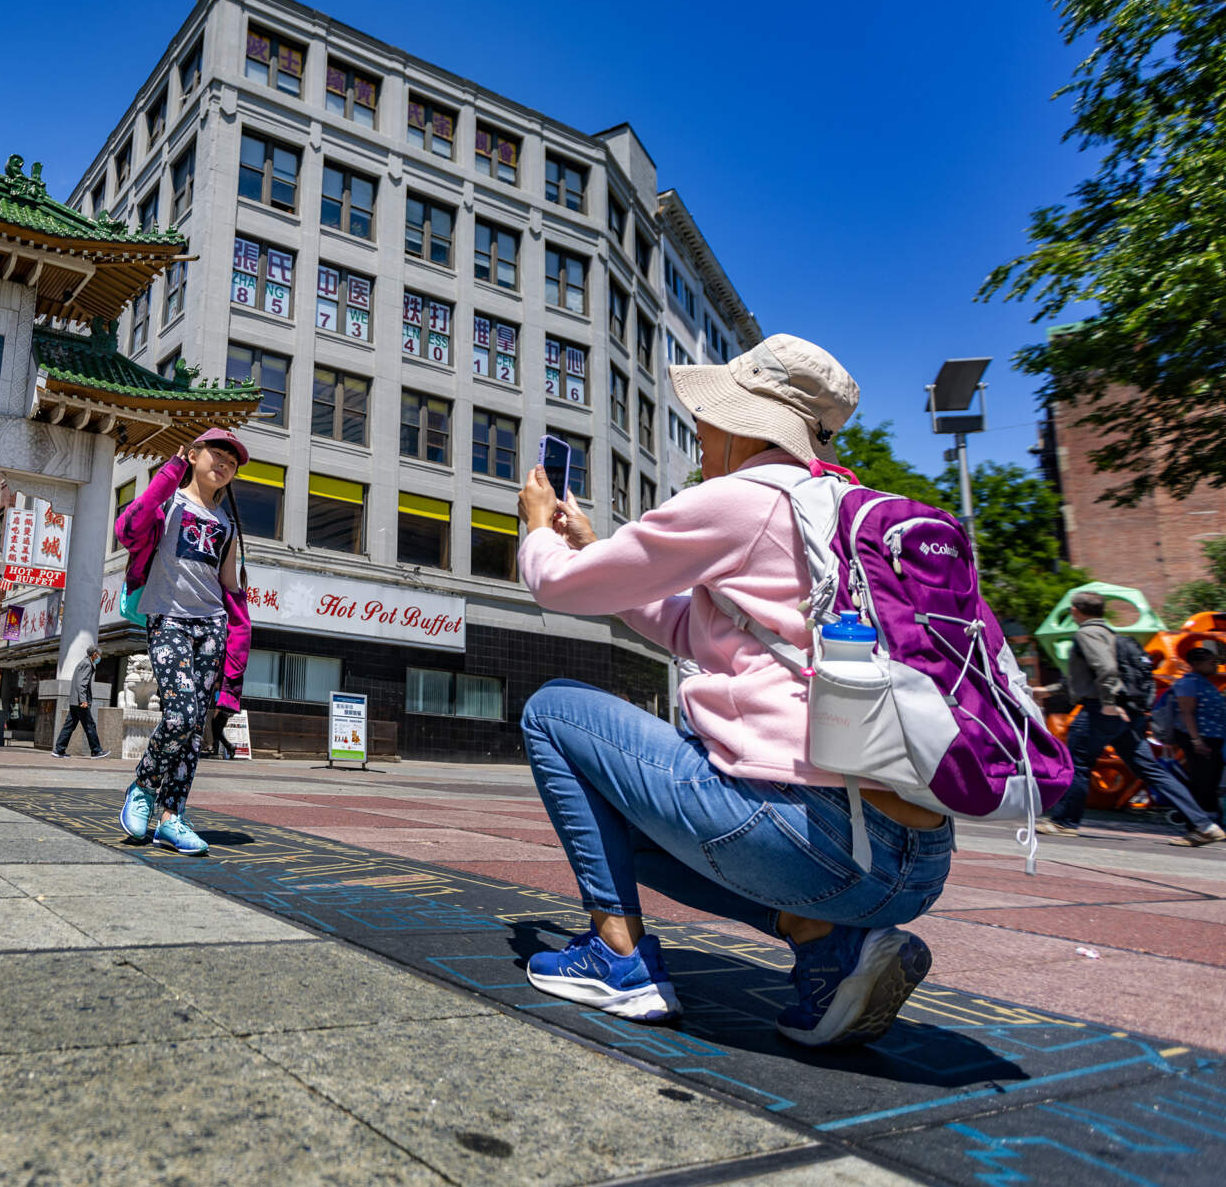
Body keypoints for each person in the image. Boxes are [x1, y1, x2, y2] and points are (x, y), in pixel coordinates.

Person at [515, 335, 949, 1047]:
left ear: (747, 424)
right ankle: (826, 946)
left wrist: (539, 530)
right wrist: (597, 549)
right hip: (912, 859)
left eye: (711, 416)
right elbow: (695, 629)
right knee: (631, 814)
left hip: (812, 842)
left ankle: (616, 959)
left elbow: (556, 587)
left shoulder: (738, 499)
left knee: (554, 711)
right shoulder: (842, 508)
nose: (700, 429)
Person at [113, 429, 253, 856]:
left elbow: (230, 589)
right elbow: (128, 527)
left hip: (210, 626)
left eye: (232, 459)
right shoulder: (169, 503)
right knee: (180, 715)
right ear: (192, 455)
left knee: (194, 730)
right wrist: (168, 473)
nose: (224, 462)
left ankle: (172, 819)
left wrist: (236, 659)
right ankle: (142, 787)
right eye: (217, 452)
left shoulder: (227, 524)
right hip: (168, 620)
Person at [1036, 593, 1221, 845]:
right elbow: (1093, 675)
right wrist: (1051, 690)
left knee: (1077, 763)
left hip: (1101, 712)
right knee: (1150, 770)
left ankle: (1063, 822)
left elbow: (1105, 669)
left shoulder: (1087, 633)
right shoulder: (1112, 635)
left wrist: (1109, 704)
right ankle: (1203, 825)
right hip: (1128, 714)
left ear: (1076, 610)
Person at [1167, 645, 1226, 834]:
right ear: (1197, 664)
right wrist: (1196, 740)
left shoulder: (1205, 682)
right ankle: (1200, 822)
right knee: (1203, 780)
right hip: (1200, 738)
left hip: (1213, 738)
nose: (1216, 666)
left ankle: (1205, 820)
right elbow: (1187, 712)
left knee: (1210, 780)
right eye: (1212, 663)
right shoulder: (1189, 683)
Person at [51, 643, 107, 758]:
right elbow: (82, 684)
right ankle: (96, 751)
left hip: (74, 701)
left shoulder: (83, 663)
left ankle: (59, 750)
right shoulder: (87, 664)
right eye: (99, 655)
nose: (99, 657)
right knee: (90, 725)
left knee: (69, 726)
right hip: (80, 702)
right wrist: (83, 700)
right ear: (95, 654)